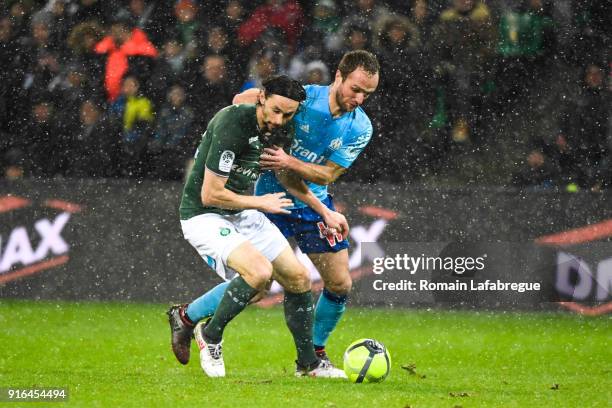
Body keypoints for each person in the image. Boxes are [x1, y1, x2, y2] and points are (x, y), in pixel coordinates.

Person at [174, 50, 380, 369]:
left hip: (311, 199)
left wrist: (319, 201)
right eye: (356, 88)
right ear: (338, 75)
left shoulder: (360, 128)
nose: (360, 98)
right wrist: (248, 109)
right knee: (257, 285)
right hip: (270, 196)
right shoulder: (299, 100)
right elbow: (243, 100)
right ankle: (191, 318)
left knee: (339, 283)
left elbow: (325, 174)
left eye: (368, 93)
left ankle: (313, 355)